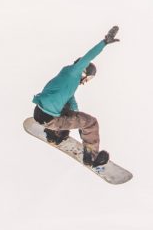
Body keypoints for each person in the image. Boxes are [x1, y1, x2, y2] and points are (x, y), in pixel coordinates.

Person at [32, 26, 120, 166]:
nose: (85, 82)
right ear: (84, 72)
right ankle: (90, 157)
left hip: (39, 113)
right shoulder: (74, 72)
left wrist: (81, 128)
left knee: (72, 114)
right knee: (91, 122)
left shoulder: (66, 80)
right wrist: (104, 42)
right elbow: (88, 57)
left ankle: (55, 136)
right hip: (51, 120)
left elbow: (73, 107)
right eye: (88, 78)